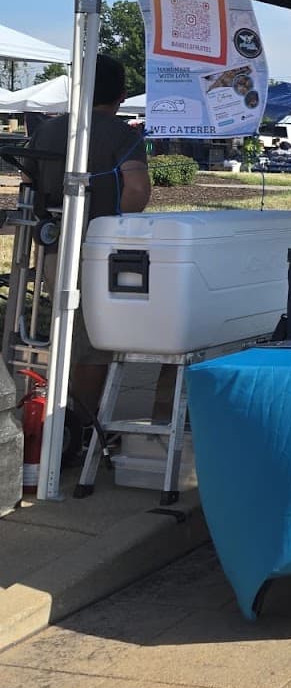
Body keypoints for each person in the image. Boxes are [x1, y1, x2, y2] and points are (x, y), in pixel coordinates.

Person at [31, 54, 152, 421]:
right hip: (99, 253)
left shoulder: (48, 129)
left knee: (63, 334)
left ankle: (56, 420)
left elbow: (27, 185)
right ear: (122, 94)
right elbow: (136, 189)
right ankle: (77, 426)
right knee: (94, 343)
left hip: (52, 246)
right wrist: (109, 227)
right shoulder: (122, 134)